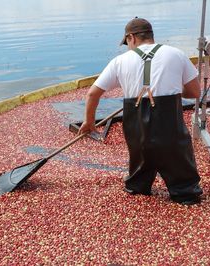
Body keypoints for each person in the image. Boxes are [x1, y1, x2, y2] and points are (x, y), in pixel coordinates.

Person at [78, 17, 203, 205]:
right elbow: (194, 92)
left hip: (136, 127)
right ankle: (185, 192)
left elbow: (92, 94)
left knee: (139, 158)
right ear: (150, 35)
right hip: (169, 124)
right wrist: (176, 87)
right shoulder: (176, 54)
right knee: (179, 161)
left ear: (131, 38)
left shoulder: (119, 61)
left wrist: (89, 122)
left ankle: (138, 186)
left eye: (126, 42)